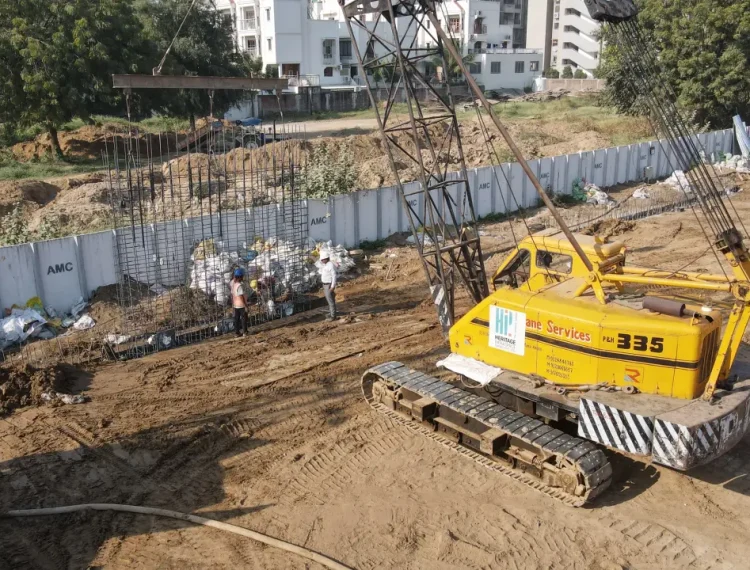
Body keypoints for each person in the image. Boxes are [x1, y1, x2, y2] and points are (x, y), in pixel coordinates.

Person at [319, 251, 337, 321]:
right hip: (325, 285)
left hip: (328, 285)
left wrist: (332, 286)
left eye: (323, 259)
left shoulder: (330, 265)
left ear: (326, 258)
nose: (322, 261)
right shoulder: (326, 265)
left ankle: (333, 316)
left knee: (330, 301)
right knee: (330, 300)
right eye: (322, 260)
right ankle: (332, 313)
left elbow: (334, 276)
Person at [231, 268, 248, 337]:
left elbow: (232, 294)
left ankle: (236, 333)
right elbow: (241, 296)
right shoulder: (239, 285)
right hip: (241, 305)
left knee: (236, 319)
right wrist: (245, 305)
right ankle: (245, 332)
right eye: (242, 276)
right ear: (240, 277)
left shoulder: (234, 284)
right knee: (244, 318)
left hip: (236, 305)